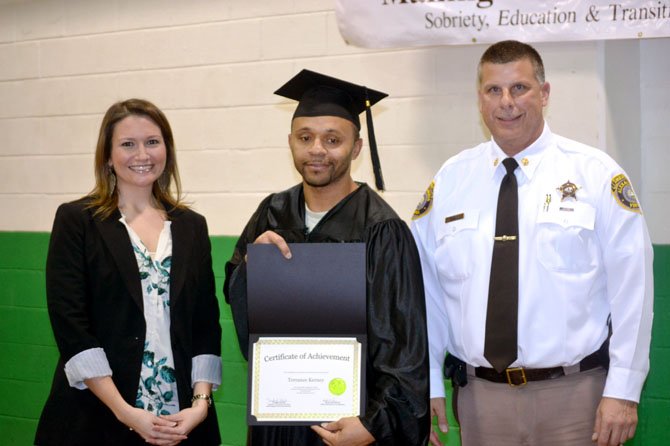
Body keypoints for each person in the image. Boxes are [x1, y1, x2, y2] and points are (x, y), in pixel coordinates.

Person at [410, 40, 653, 446]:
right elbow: (426, 291)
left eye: (519, 88)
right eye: (493, 90)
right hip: (481, 398)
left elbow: (634, 289)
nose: (507, 102)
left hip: (576, 397)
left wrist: (624, 389)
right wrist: (431, 379)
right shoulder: (450, 181)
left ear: (544, 93)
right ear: (480, 100)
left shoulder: (594, 174)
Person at [224, 69, 430, 446]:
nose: (317, 149)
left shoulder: (382, 229)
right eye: (305, 137)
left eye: (332, 139)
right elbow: (239, 303)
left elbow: (404, 344)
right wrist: (251, 271)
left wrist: (374, 424)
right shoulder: (271, 213)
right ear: (290, 143)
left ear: (355, 148)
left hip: (351, 423)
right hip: (278, 420)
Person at [35, 98, 223, 445]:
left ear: (167, 149)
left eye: (153, 142)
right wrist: (124, 411)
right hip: (99, 415)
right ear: (107, 155)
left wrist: (200, 404)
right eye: (127, 144)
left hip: (180, 418)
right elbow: (71, 326)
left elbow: (205, 324)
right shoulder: (78, 221)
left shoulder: (191, 227)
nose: (142, 154)